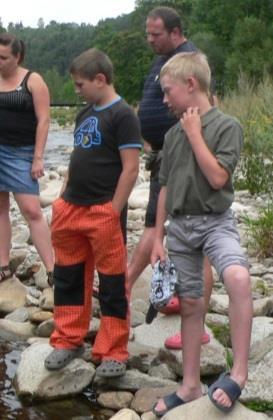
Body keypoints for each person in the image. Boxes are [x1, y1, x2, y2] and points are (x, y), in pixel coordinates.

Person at [150, 51, 252, 416]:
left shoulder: (227, 127)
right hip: (179, 229)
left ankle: (238, 374)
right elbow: (164, 187)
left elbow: (218, 178)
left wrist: (195, 134)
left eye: (168, 91)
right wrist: (157, 237)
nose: (164, 99)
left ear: (191, 85)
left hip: (215, 222)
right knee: (191, 303)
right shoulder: (172, 134)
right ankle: (191, 384)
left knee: (238, 278)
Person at [44, 48, 140, 378]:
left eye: (80, 83)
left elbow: (130, 169)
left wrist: (114, 210)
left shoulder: (124, 115)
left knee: (112, 281)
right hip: (70, 207)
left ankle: (113, 349)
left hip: (103, 210)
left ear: (100, 79)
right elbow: (77, 156)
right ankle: (69, 338)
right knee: (69, 277)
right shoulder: (85, 113)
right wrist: (60, 198)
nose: (76, 90)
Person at [126, 5, 213, 350]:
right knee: (167, 229)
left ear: (175, 32)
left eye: (155, 34)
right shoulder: (165, 57)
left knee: (194, 239)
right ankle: (173, 294)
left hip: (183, 157)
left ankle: (199, 325)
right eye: (148, 33)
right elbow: (157, 104)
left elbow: (202, 105)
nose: (150, 40)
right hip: (164, 152)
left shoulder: (189, 61)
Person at [0, 33, 54, 289]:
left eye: (3, 57)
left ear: (17, 57)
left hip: (22, 152)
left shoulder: (33, 81)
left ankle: (53, 270)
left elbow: (44, 120)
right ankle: (4, 267)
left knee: (32, 210)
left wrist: (37, 158)